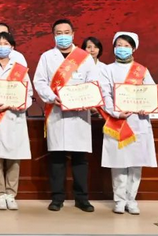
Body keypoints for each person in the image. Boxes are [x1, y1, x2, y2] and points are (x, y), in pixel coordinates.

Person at [33, 19, 98, 212]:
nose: (63, 36)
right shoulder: (47, 57)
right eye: (59, 33)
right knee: (57, 159)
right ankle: (57, 198)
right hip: (57, 112)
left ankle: (82, 198)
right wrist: (52, 97)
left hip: (79, 115)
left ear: (73, 34)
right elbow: (40, 81)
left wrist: (85, 99)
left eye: (66, 32)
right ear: (54, 35)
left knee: (80, 158)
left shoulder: (84, 57)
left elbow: (93, 82)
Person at [99, 32, 157, 215]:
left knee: (135, 163)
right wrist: (116, 112)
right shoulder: (107, 69)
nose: (122, 48)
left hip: (139, 122)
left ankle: (131, 200)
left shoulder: (142, 70)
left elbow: (150, 94)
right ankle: (119, 200)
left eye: (126, 45)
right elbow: (104, 94)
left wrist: (147, 108)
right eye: (119, 45)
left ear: (133, 48)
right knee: (118, 162)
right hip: (117, 121)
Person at [0, 32, 32, 211]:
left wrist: (22, 104)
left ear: (12, 47)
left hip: (14, 117)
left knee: (14, 159)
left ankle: (11, 194)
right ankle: (0, 194)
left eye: (6, 43)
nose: (2, 46)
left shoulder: (20, 69)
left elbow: (29, 93)